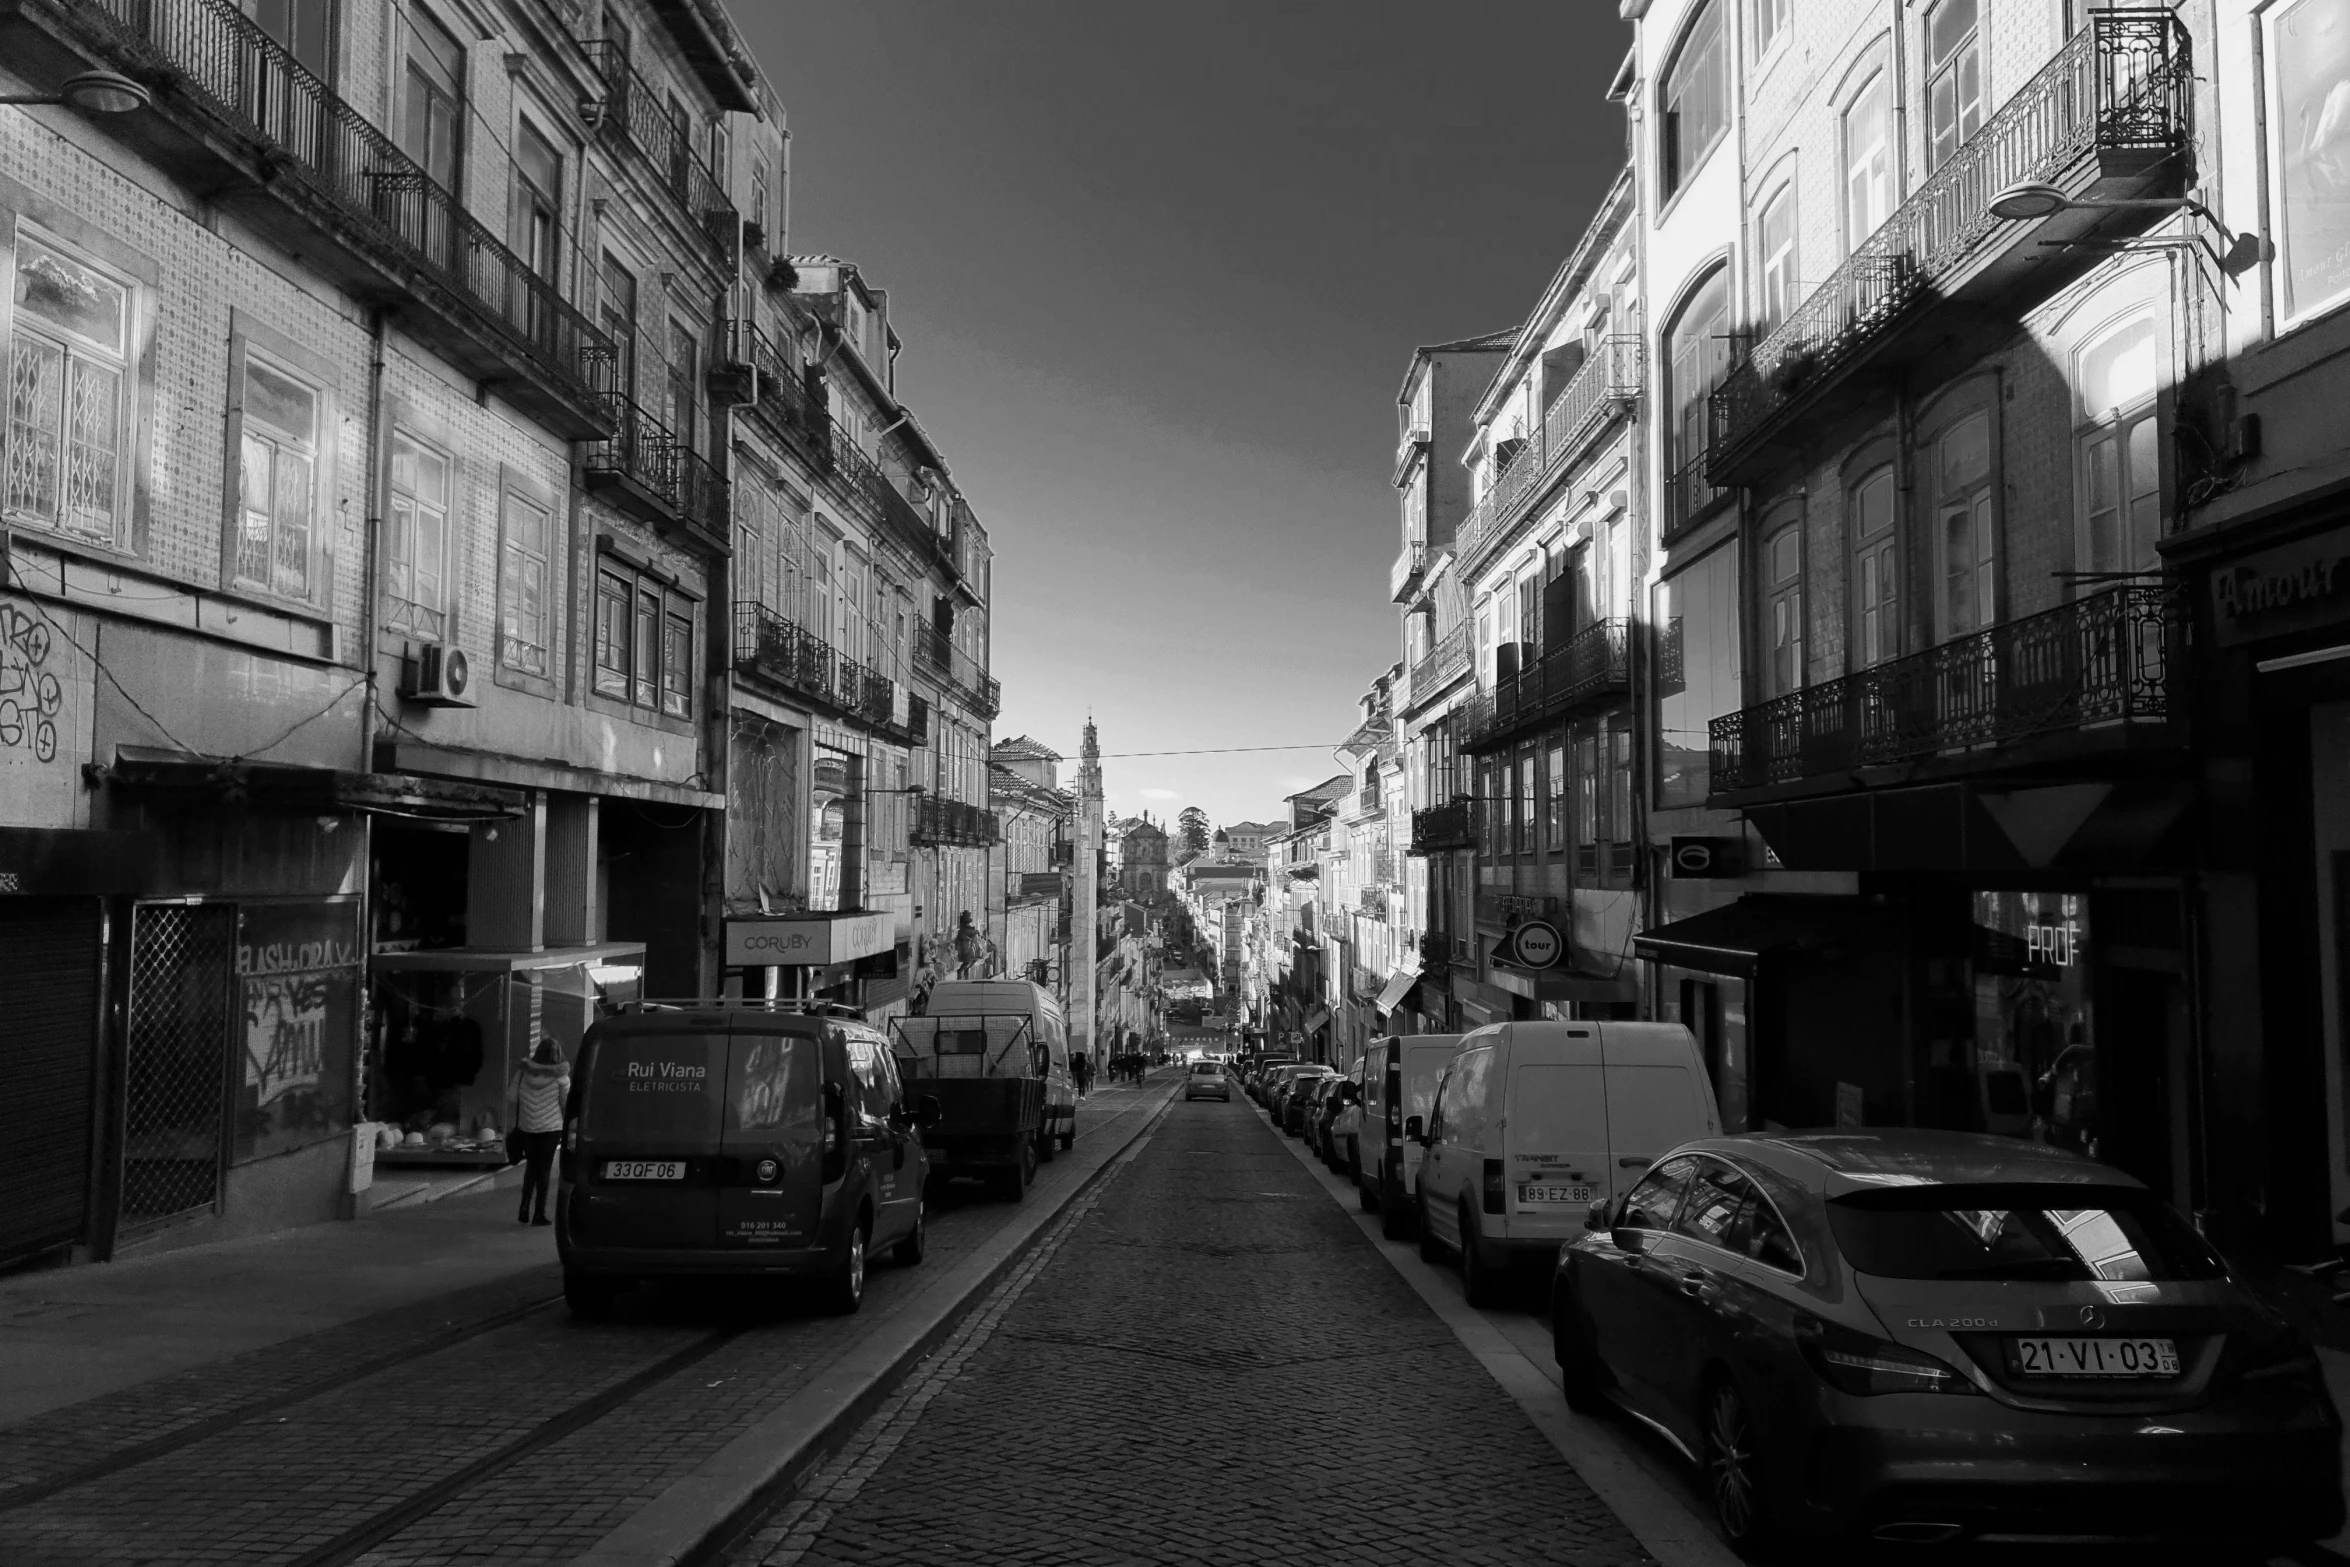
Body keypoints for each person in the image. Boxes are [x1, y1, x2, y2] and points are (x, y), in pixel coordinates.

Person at [510, 1036, 571, 1226]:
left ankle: (524, 1207)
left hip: (527, 1127)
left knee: (531, 1167)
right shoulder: (561, 1078)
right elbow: (564, 1105)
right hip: (551, 1129)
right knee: (544, 1171)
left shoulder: (523, 1073)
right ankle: (539, 1213)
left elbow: (511, 1097)